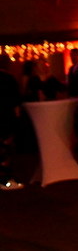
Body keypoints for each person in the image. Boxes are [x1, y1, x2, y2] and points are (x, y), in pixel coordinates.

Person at [0, 55, 24, 190]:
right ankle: (5, 180)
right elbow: (16, 102)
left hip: (5, 119)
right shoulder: (9, 79)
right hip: (6, 119)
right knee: (6, 150)